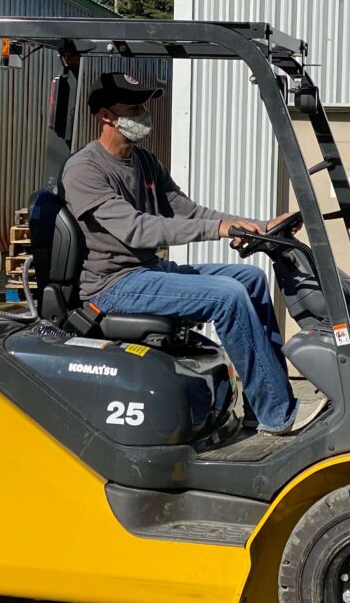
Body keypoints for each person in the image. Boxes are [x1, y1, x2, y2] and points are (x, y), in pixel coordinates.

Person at [60, 72, 325, 435]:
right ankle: (278, 414)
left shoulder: (145, 162)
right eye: (134, 108)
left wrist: (257, 226)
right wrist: (219, 230)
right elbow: (138, 229)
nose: (143, 114)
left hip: (147, 272)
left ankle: (261, 404)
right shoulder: (84, 169)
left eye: (144, 106)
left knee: (250, 279)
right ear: (107, 116)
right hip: (111, 286)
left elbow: (188, 211)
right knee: (227, 297)